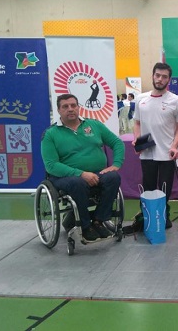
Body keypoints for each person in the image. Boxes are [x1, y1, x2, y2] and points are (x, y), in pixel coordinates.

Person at [41, 93, 125, 242]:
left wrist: (116, 164)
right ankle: (85, 226)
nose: (70, 109)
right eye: (65, 107)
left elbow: (117, 143)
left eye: (73, 105)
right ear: (59, 110)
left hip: (96, 172)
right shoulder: (50, 134)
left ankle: (99, 221)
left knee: (113, 177)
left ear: (79, 107)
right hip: (65, 177)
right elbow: (51, 165)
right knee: (77, 183)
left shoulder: (94, 125)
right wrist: (81, 174)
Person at [133, 62, 178, 229]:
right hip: (147, 153)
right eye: (157, 75)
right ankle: (148, 217)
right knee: (148, 187)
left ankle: (163, 216)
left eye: (164, 77)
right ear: (153, 76)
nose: (160, 79)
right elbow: (137, 123)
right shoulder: (141, 99)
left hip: (166, 154)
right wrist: (137, 141)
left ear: (169, 80)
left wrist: (175, 146)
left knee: (164, 189)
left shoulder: (176, 101)